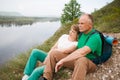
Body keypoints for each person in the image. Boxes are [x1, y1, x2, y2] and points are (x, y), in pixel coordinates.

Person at [40, 13, 102, 80]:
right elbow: (74, 44)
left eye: (82, 23)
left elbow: (82, 52)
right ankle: (46, 77)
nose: (79, 25)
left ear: (90, 25)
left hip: (90, 63)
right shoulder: (82, 34)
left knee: (82, 60)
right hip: (77, 61)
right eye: (79, 23)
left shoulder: (95, 37)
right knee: (54, 53)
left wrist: (63, 60)